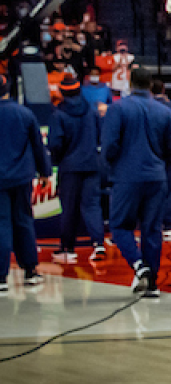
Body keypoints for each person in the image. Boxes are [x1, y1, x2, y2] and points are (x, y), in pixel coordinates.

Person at [101, 68, 171, 297]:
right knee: (152, 229)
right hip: (156, 176)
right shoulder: (164, 111)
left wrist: (112, 165)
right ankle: (152, 283)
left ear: (130, 82)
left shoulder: (117, 108)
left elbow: (109, 146)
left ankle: (139, 265)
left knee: (119, 225)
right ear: (151, 84)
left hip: (127, 175)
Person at [0, 73, 50, 292]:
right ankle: (30, 270)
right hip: (22, 177)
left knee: (1, 224)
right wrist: (45, 172)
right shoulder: (25, 113)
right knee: (23, 221)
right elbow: (38, 146)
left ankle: (1, 277)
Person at [46, 80, 105, 263]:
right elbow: (100, 135)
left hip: (70, 166)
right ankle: (98, 243)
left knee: (69, 208)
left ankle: (67, 247)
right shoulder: (91, 111)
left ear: (62, 93)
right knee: (92, 205)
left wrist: (57, 159)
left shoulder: (58, 115)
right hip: (91, 164)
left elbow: (55, 143)